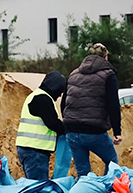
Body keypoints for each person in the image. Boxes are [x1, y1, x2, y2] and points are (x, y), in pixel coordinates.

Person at [62, 43, 122, 177]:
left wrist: (68, 123)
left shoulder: (73, 74)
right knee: (112, 162)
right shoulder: (108, 74)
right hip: (94, 131)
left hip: (71, 130)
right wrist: (117, 131)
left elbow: (64, 102)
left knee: (83, 173)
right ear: (105, 57)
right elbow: (113, 104)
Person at [15, 71, 67, 180]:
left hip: (30, 149)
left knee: (34, 184)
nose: (60, 95)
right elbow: (52, 123)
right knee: (38, 187)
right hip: (34, 151)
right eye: (60, 91)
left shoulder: (37, 96)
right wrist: (69, 129)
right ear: (55, 87)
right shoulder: (42, 98)